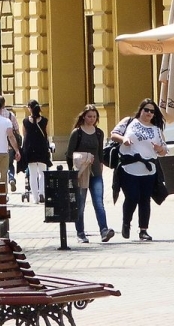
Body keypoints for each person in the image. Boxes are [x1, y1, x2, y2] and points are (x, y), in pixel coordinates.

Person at [111, 99, 168, 241]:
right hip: (128, 167)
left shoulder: (156, 129)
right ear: (141, 110)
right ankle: (126, 223)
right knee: (132, 197)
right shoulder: (129, 122)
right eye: (146, 110)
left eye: (152, 111)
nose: (149, 113)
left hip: (149, 169)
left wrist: (159, 149)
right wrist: (123, 139)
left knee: (145, 200)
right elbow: (113, 134)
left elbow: (164, 150)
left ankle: (143, 230)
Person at [66, 105, 115, 244]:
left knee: (99, 203)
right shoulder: (77, 133)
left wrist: (100, 166)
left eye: (94, 116)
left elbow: (100, 153)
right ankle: (80, 233)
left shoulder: (99, 133)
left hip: (96, 172)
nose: (92, 119)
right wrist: (73, 171)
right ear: (83, 117)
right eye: (89, 116)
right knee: (80, 204)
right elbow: (69, 154)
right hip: (81, 172)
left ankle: (104, 231)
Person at [21, 100, 51, 203]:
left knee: (32, 174)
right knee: (42, 173)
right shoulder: (44, 121)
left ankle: (35, 198)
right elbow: (47, 134)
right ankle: (42, 192)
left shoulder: (25, 121)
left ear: (29, 108)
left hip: (30, 149)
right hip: (42, 148)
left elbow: (24, 136)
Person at [0, 95, 21, 191]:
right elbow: (17, 130)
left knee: (0, 167)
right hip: (10, 146)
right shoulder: (10, 115)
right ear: (4, 103)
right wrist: (17, 146)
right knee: (10, 164)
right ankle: (11, 178)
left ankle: (3, 186)